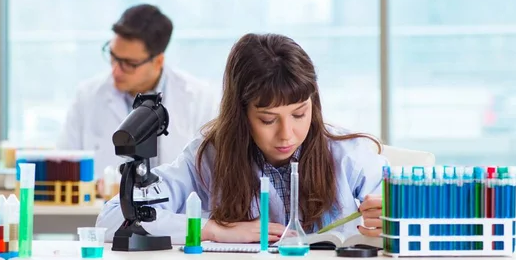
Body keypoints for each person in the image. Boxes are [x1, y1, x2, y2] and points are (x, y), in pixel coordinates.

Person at [96, 33, 386, 244]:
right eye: (268, 119)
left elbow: (421, 222)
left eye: (299, 114)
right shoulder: (208, 158)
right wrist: (213, 230)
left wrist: (393, 221)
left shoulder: (348, 155)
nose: (287, 134)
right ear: (241, 114)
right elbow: (113, 218)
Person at [57, 4, 219, 182]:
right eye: (113, 56)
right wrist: (95, 184)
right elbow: (64, 165)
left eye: (129, 64)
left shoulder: (199, 100)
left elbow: (208, 173)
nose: (116, 71)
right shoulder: (87, 97)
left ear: (158, 62)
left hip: (173, 209)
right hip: (103, 207)